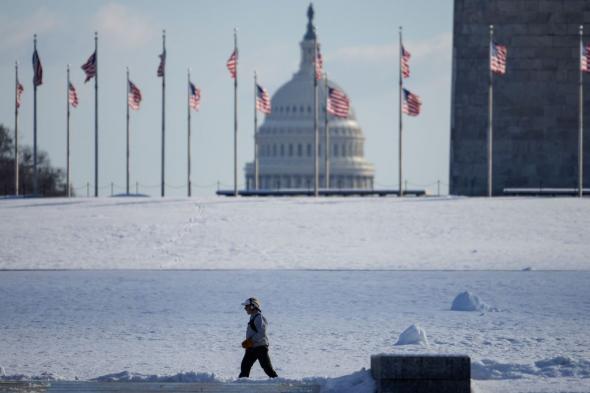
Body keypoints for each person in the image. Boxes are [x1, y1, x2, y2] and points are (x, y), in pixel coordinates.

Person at [238, 297, 278, 378]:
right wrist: (249, 342)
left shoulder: (259, 318)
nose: (245, 308)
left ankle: (277, 383)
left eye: (247, 306)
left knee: (267, 368)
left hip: (260, 348)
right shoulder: (253, 317)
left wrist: (250, 341)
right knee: (245, 366)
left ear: (253, 306)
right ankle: (242, 385)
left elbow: (261, 333)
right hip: (251, 348)